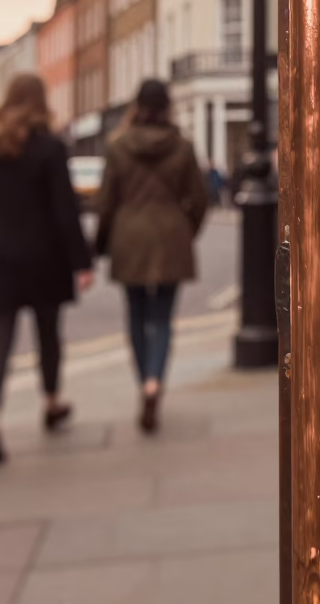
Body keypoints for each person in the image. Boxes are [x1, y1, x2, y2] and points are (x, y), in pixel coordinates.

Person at [0, 73, 94, 466]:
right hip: (44, 255)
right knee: (48, 335)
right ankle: (52, 401)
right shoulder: (51, 148)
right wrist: (82, 262)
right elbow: (64, 211)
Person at [95, 80, 208, 434]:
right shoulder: (183, 146)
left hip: (129, 238)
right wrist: (184, 229)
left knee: (136, 316)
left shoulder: (117, 146)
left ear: (136, 106)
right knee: (162, 319)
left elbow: (106, 203)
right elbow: (200, 199)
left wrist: (100, 242)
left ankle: (143, 378)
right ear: (168, 106)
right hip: (170, 237)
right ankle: (154, 383)